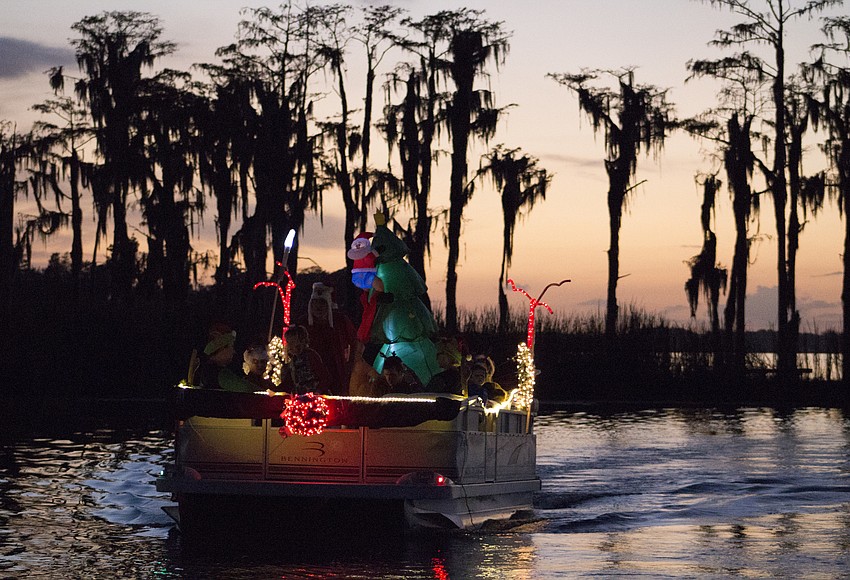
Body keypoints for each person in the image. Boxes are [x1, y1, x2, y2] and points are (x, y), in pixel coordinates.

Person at [303, 282, 357, 395]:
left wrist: (350, 365)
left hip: (337, 370)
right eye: (315, 303)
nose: (318, 307)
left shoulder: (340, 321)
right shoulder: (303, 324)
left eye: (322, 303)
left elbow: (355, 342)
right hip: (311, 374)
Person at [197, 322, 257, 393]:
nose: (233, 351)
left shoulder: (204, 369)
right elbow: (246, 388)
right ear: (221, 347)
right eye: (231, 346)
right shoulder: (220, 374)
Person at [281, 325, 333, 394]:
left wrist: (318, 391)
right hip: (301, 399)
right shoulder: (293, 361)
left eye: (292, 342)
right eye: (288, 342)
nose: (289, 346)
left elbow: (325, 377)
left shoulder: (311, 356)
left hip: (316, 398)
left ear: (300, 342)